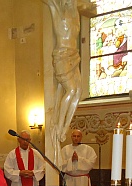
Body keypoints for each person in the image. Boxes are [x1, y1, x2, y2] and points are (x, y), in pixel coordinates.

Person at [42, 0, 81, 162]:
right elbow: (49, 4)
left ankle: (63, 126)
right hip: (62, 56)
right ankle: (60, 127)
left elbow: (85, 7)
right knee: (71, 90)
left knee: (78, 92)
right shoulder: (56, 10)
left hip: (73, 55)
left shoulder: (75, 15)